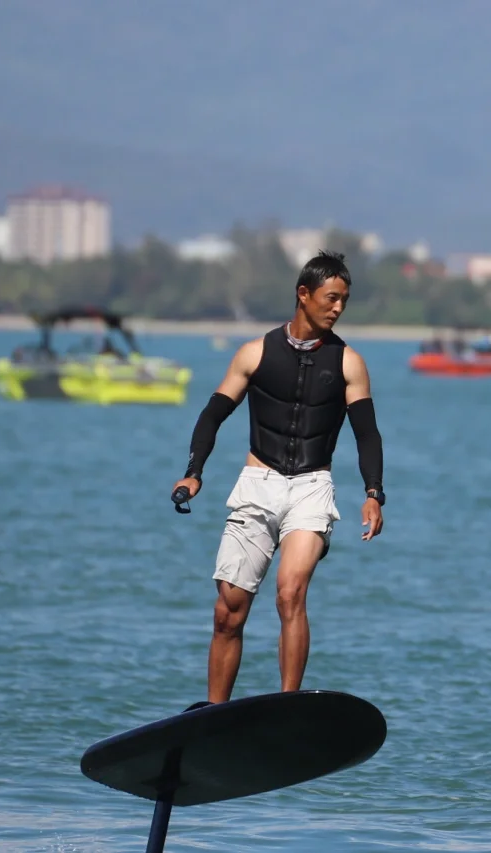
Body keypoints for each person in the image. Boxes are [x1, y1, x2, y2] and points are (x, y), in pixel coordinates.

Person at [170, 250, 386, 703]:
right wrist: (194, 474)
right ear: (302, 295)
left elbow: (367, 433)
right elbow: (212, 415)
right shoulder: (255, 353)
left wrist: (373, 493)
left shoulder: (348, 363)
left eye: (344, 300)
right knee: (229, 611)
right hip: (258, 484)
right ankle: (214, 713)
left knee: (291, 592)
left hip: (312, 488)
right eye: (331, 298)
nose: (338, 308)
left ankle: (287, 704)